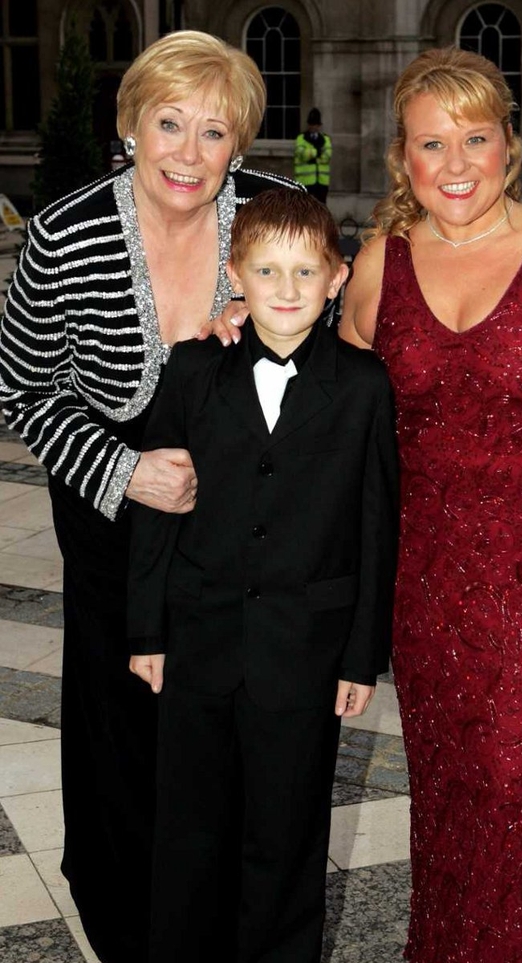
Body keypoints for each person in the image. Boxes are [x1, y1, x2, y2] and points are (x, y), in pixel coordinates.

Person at [0, 31, 301, 963]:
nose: (188, 151)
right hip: (110, 517)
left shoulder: (272, 220)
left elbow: (325, 338)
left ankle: (223, 924)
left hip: (239, 520)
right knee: (126, 730)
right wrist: (126, 472)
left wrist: (271, 338)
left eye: (215, 132)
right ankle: (132, 930)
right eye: (168, 123)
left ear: (240, 146)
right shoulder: (67, 232)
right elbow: (20, 388)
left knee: (234, 725)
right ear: (130, 126)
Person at [339, 46, 522, 963]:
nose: (458, 162)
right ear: (404, 159)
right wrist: (248, 317)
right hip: (425, 577)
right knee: (444, 790)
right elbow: (324, 391)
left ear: (511, 144)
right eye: (434, 143)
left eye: (477, 136)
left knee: (513, 780)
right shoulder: (378, 264)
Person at [127, 187, 399, 963]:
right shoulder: (192, 369)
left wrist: (359, 656)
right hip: (199, 639)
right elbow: (158, 504)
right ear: (234, 273)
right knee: (190, 832)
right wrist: (147, 628)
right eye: (268, 270)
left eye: (305, 272)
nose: (286, 290)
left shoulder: (363, 387)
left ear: (338, 278)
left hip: (303, 652)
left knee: (286, 835)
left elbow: (376, 526)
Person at [294, 107, 332, 203]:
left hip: (322, 181)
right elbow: (302, 154)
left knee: (321, 208)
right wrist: (317, 152)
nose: (313, 127)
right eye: (311, 124)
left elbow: (327, 155)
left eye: (315, 124)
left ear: (319, 126)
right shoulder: (301, 138)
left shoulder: (325, 139)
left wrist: (311, 155)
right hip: (305, 181)